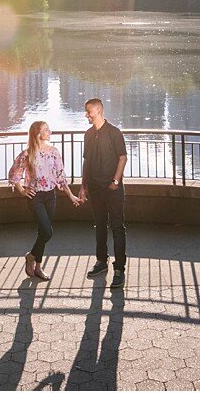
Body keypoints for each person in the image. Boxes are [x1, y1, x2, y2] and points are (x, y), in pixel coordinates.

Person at [8, 120, 82, 280]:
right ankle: (30, 256)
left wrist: (71, 195)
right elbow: (14, 173)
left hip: (50, 196)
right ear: (37, 134)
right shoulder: (27, 154)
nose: (50, 132)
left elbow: (60, 176)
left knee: (43, 232)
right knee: (47, 232)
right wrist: (22, 190)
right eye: (46, 130)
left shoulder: (54, 151)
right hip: (35, 197)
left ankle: (38, 267)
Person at [78, 97, 128, 289]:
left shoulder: (115, 133)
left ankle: (119, 269)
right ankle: (101, 262)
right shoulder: (88, 134)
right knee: (99, 225)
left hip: (113, 189)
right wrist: (83, 186)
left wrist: (116, 181)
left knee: (117, 227)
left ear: (98, 111)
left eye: (89, 112)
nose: (86, 115)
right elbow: (87, 161)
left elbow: (122, 157)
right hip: (95, 188)